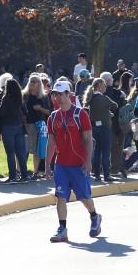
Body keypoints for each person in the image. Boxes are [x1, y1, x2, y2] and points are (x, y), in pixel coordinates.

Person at [44, 80, 102, 243]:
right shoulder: (53, 117)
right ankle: (62, 229)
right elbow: (51, 142)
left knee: (83, 196)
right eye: (55, 94)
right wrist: (48, 164)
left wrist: (88, 161)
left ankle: (94, 216)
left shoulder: (80, 114)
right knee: (61, 196)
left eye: (61, 94)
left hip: (78, 163)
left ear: (68, 94)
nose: (58, 98)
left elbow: (88, 139)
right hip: (61, 164)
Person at [85, 78, 118, 182]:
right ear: (99, 85)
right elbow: (115, 106)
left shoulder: (91, 98)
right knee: (106, 152)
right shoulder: (104, 98)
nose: (105, 87)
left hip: (94, 127)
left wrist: (106, 112)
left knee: (97, 151)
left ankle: (97, 174)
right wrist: (108, 112)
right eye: (104, 85)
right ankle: (107, 175)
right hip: (105, 128)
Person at [0, 78, 29, 183]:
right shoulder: (20, 98)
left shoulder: (6, 98)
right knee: (20, 153)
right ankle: (24, 175)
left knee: (10, 153)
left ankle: (12, 176)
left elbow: (2, 113)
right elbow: (25, 111)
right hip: (19, 126)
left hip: (8, 127)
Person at [24, 75, 52, 179]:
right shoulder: (25, 95)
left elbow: (49, 112)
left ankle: (35, 172)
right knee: (27, 148)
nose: (32, 83)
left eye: (35, 81)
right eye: (31, 81)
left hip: (40, 125)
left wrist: (40, 109)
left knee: (38, 149)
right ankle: (22, 171)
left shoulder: (44, 96)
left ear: (39, 83)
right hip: (27, 124)